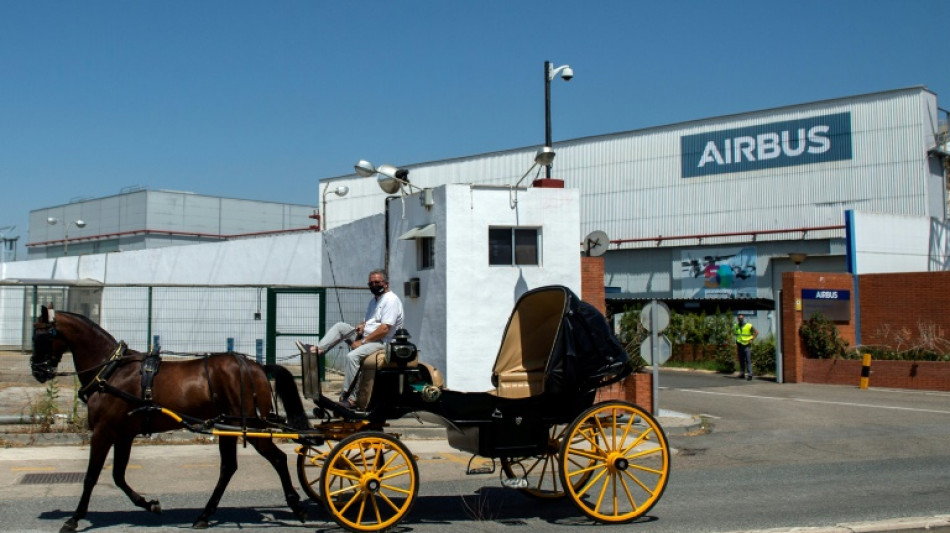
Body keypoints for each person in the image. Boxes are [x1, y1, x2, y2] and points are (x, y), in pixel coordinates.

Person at [297, 269, 404, 407]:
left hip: (382, 342)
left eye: (377, 282)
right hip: (368, 337)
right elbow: (371, 321)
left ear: (386, 283)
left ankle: (350, 398)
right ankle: (317, 350)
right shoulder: (374, 301)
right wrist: (362, 326)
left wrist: (362, 342)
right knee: (341, 326)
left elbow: (385, 329)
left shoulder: (391, 300)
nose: (373, 285)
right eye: (370, 283)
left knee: (352, 357)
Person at [734, 313, 758, 380]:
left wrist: (752, 339)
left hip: (747, 345)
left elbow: (756, 332)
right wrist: (736, 342)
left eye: (741, 318)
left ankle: (750, 374)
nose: (740, 319)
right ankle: (742, 373)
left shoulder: (748, 325)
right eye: (739, 318)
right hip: (739, 345)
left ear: (743, 318)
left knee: (748, 360)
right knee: (741, 360)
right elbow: (737, 335)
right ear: (737, 319)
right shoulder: (736, 326)